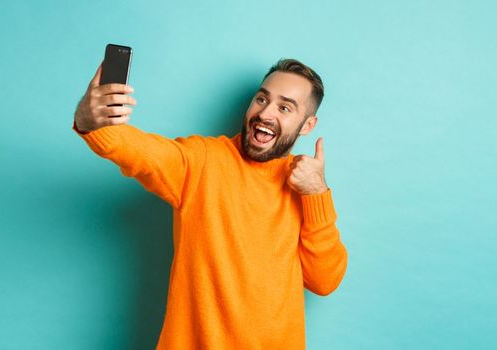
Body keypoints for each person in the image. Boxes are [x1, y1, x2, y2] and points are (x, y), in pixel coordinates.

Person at [72, 58, 348, 349]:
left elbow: (324, 280)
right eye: (261, 98)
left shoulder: (305, 185)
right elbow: (137, 150)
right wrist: (89, 122)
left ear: (307, 125)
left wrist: (316, 194)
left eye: (284, 107)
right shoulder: (202, 160)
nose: (264, 113)